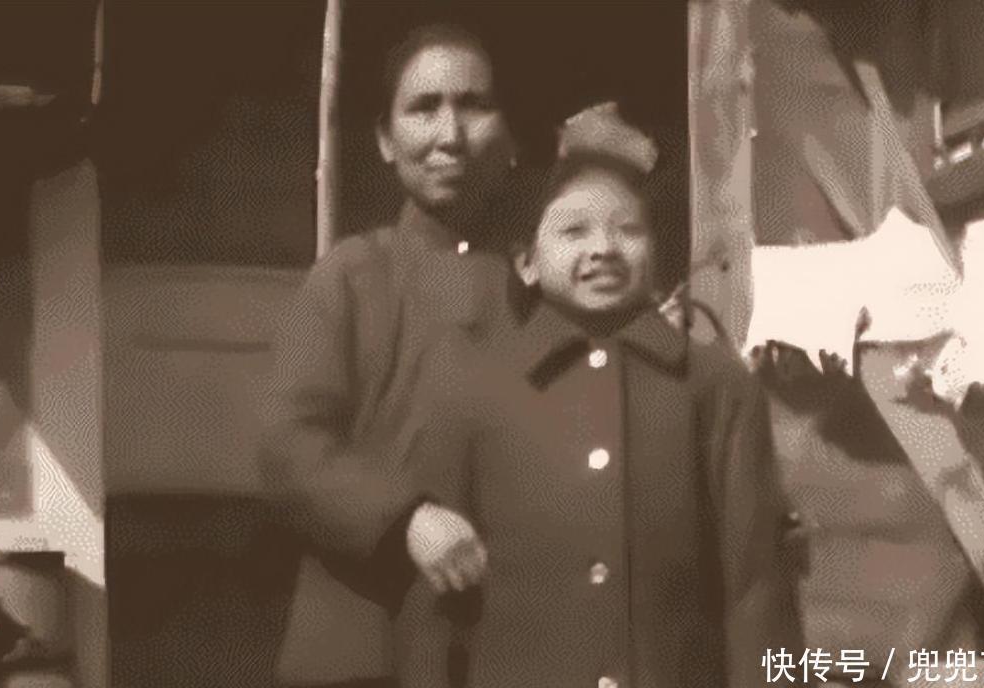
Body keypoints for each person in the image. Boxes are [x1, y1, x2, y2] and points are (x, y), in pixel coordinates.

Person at [382, 105, 805, 687]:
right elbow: (432, 603)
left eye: (628, 230)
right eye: (573, 231)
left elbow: (756, 589)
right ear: (527, 263)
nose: (604, 247)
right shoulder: (474, 387)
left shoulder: (715, 386)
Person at [258, 21, 526, 688]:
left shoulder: (541, 288)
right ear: (385, 139)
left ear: (508, 132)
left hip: (511, 642)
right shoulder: (351, 276)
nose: (450, 134)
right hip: (368, 641)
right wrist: (406, 518)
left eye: (474, 105)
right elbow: (288, 446)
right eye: (423, 108)